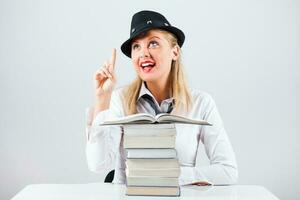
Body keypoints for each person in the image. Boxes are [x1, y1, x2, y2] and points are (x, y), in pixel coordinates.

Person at [86, 10, 238, 186]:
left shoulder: (202, 102)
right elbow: (98, 164)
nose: (143, 53)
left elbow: (228, 171)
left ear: (174, 52)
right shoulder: (120, 99)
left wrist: (172, 174)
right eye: (136, 46)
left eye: (153, 43)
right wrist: (102, 98)